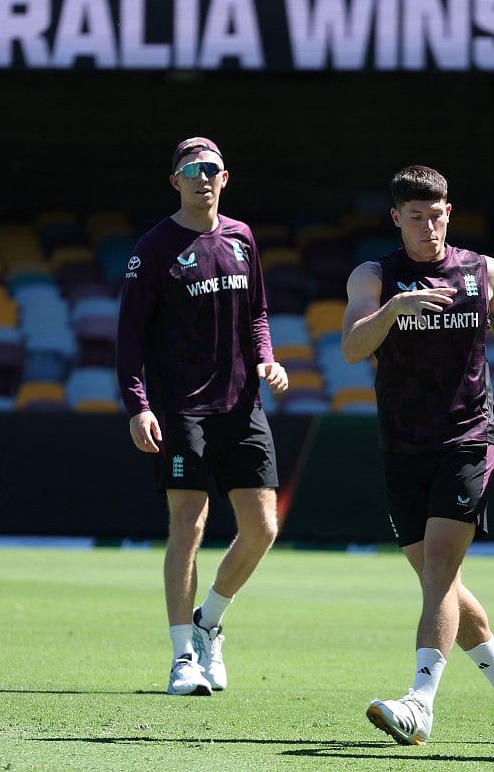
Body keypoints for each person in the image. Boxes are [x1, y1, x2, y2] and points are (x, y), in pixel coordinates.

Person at [341, 165, 494, 746]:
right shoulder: (375, 275)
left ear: (449, 213)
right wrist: (391, 312)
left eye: (437, 216)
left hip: (468, 435)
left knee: (438, 569)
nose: (428, 227)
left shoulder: (483, 273)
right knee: (443, 583)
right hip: (402, 443)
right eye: (416, 217)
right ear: (396, 219)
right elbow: (353, 346)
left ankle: (419, 703)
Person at [116, 137, 289, 696]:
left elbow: (257, 312)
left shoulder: (241, 238)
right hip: (180, 408)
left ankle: (208, 620)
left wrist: (266, 358)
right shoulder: (154, 247)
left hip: (241, 404)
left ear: (224, 177)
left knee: (263, 527)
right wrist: (138, 406)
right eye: (190, 170)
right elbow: (129, 339)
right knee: (188, 523)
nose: (202, 177)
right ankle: (182, 657)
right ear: (175, 182)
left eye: (210, 169)